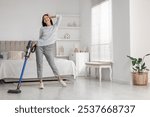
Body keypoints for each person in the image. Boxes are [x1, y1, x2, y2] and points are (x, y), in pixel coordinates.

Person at [36, 13, 67, 89]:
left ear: (50, 18)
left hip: (49, 47)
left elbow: (60, 16)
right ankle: (41, 82)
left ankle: (60, 80)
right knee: (39, 64)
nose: (46, 19)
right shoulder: (42, 28)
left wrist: (50, 16)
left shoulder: (55, 26)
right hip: (39, 46)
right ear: (43, 21)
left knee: (52, 64)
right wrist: (36, 43)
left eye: (47, 17)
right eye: (44, 18)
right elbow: (40, 38)